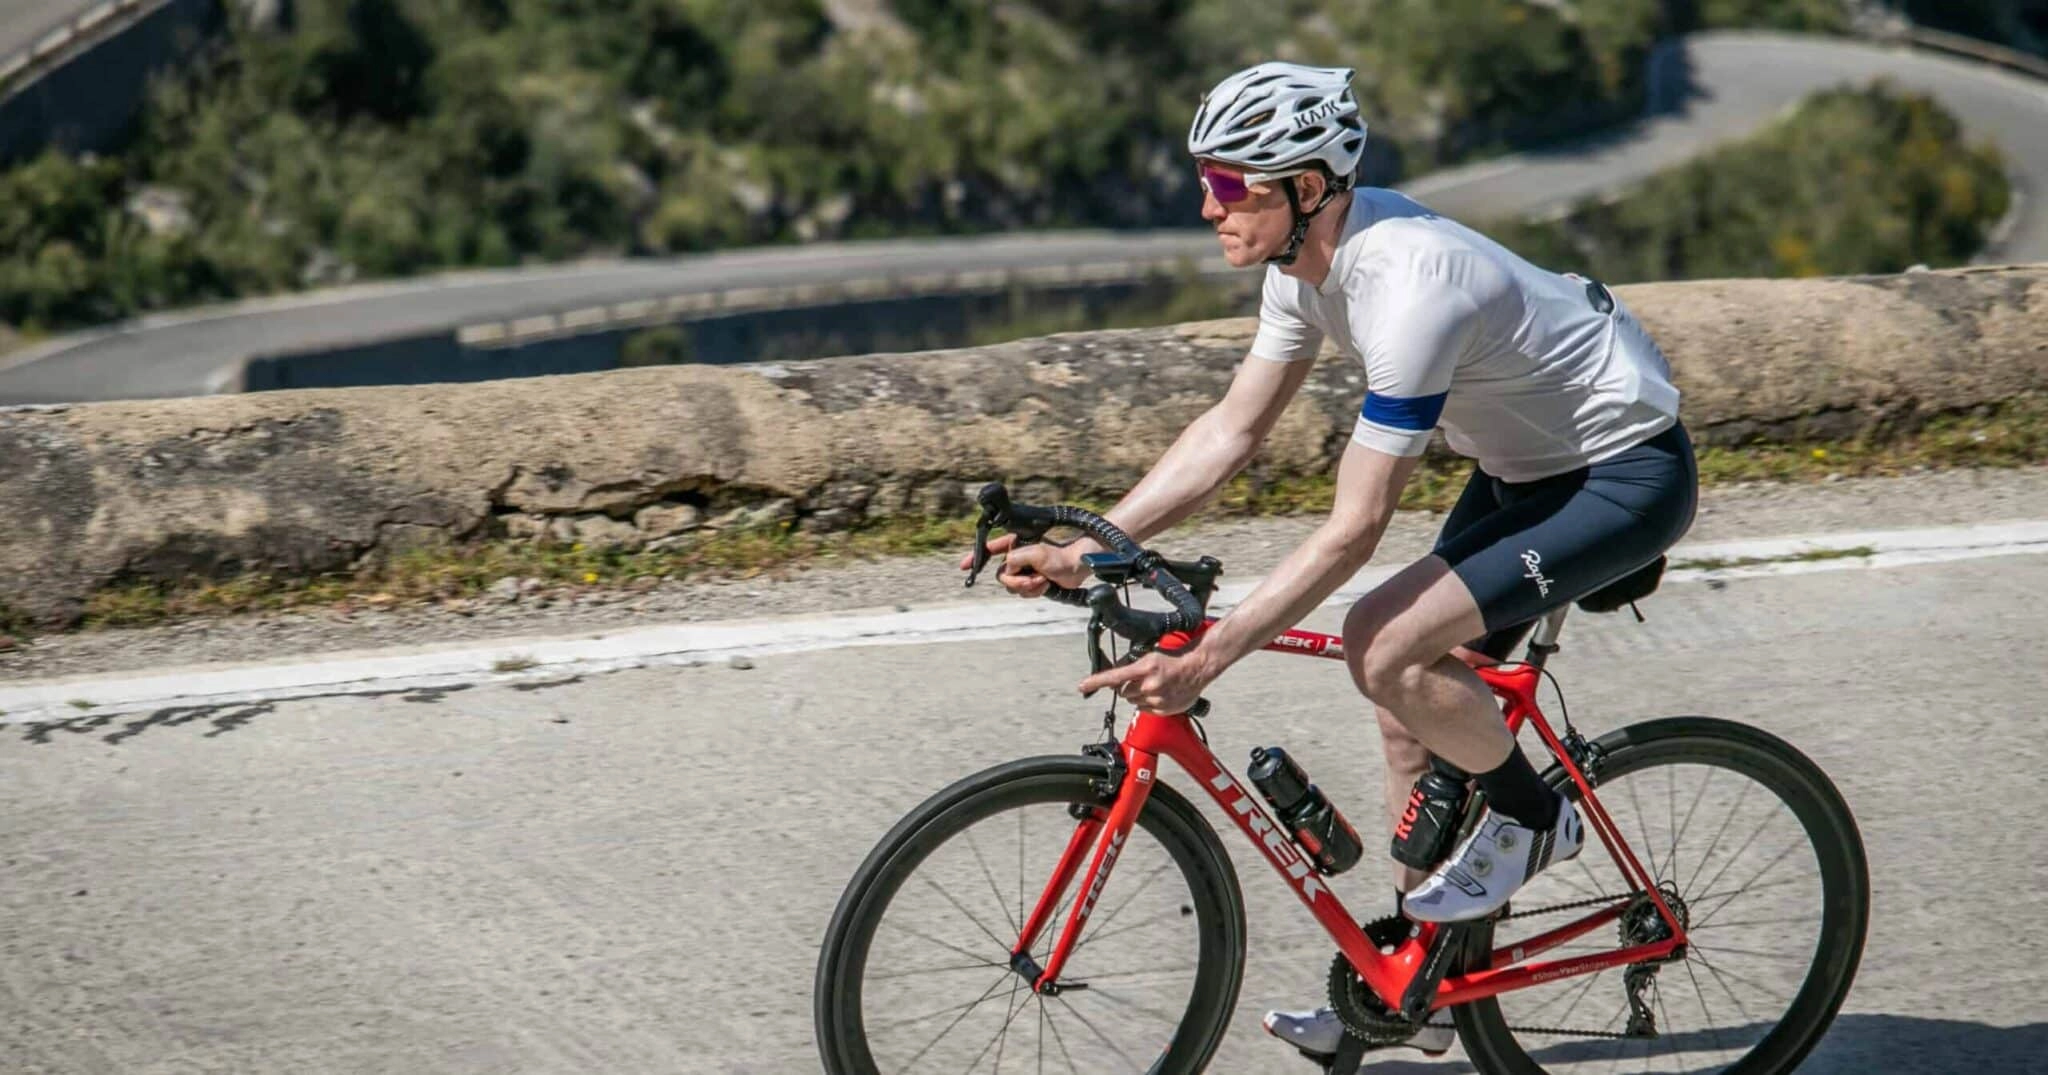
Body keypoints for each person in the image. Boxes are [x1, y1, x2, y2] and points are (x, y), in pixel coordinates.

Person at [964, 61, 1697, 1065]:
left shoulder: (1408, 288)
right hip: (1525, 471)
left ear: (1306, 188)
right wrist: (1089, 547)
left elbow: (1354, 528)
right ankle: (1419, 990)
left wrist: (1209, 655)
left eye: (1231, 186)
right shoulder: (1300, 269)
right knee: (1406, 710)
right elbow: (1229, 432)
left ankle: (1535, 818)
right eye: (1207, 181)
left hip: (1621, 475)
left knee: (1379, 643)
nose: (1209, 207)